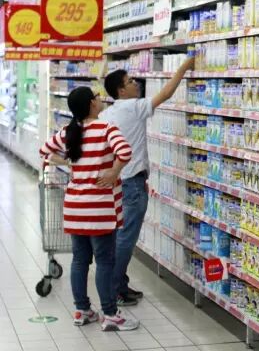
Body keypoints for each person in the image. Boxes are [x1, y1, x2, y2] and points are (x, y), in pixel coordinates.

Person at [39, 87, 138, 331]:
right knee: (104, 261)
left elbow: (44, 151)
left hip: (75, 207)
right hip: (100, 209)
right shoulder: (106, 129)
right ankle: (110, 314)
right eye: (96, 96)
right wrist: (113, 172)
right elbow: (125, 152)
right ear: (92, 104)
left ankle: (82, 310)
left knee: (79, 260)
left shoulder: (69, 131)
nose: (99, 98)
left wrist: (71, 164)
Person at [101, 53, 194, 305]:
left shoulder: (107, 114)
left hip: (119, 182)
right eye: (130, 81)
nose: (136, 84)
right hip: (131, 183)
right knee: (126, 238)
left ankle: (118, 284)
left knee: (120, 235)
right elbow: (165, 94)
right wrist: (184, 67)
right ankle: (113, 288)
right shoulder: (133, 106)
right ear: (121, 91)